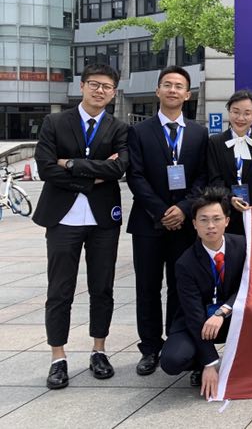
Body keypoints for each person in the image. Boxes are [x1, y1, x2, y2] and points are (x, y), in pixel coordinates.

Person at [33, 64, 129, 389]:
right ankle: (58, 357)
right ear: (82, 85)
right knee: (60, 290)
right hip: (62, 219)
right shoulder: (55, 122)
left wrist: (71, 164)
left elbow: (119, 169)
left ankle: (99, 351)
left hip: (103, 221)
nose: (100, 91)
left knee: (102, 288)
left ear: (113, 93)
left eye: (106, 87)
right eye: (94, 84)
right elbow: (46, 168)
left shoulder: (119, 128)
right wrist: (93, 177)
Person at [126, 65, 209, 376]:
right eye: (168, 85)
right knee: (147, 287)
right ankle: (149, 348)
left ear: (187, 95)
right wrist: (162, 211)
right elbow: (135, 176)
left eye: (179, 86)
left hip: (185, 225)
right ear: (158, 91)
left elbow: (203, 176)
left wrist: (184, 208)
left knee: (180, 285)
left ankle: (177, 343)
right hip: (148, 223)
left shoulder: (199, 133)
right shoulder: (138, 131)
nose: (173, 90)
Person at [160, 187, 246, 400]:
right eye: (204, 220)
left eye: (216, 219)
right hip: (197, 321)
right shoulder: (185, 263)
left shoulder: (243, 246)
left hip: (230, 316)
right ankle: (199, 362)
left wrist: (223, 311)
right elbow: (193, 315)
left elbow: (247, 286)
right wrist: (210, 362)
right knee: (172, 360)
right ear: (194, 224)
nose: (210, 226)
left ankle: (245, 362)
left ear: (227, 221)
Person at [207, 90, 252, 235]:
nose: (241, 118)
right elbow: (214, 178)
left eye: (247, 113)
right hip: (226, 210)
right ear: (229, 112)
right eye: (235, 112)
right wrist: (230, 198)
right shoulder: (215, 142)